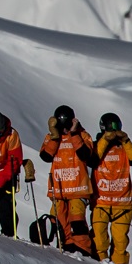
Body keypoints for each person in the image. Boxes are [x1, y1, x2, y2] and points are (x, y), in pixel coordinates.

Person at [40, 105, 98, 256]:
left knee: (77, 222)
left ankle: (83, 251)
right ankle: (65, 249)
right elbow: (46, 156)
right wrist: (54, 136)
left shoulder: (82, 135)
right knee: (59, 223)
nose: (64, 130)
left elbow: (86, 154)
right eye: (62, 126)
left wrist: (74, 133)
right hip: (58, 190)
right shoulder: (52, 136)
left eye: (67, 126)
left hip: (78, 189)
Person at [92, 112, 132, 264]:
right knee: (99, 242)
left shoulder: (124, 147)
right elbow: (92, 160)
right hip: (101, 202)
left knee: (120, 244)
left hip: (123, 204)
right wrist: (104, 141)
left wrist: (126, 140)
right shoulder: (96, 145)